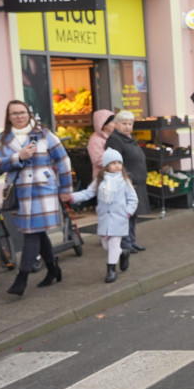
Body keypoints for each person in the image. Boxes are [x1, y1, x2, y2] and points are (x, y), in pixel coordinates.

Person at [0, 100, 73, 296]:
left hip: (42, 191)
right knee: (37, 232)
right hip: (19, 192)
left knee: (31, 233)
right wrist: (17, 157)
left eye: (22, 112)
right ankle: (53, 270)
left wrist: (65, 189)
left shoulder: (43, 134)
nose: (19, 116)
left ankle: (22, 278)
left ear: (28, 114)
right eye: (14, 114)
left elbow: (63, 160)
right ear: (8, 117)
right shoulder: (2, 139)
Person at [68, 149, 138, 283]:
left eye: (119, 163)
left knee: (113, 244)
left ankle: (111, 270)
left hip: (120, 218)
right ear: (106, 165)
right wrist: (71, 197)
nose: (117, 166)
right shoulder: (100, 181)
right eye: (113, 163)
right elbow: (87, 193)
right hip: (104, 219)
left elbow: (133, 199)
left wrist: (127, 212)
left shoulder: (124, 181)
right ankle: (123, 252)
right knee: (106, 246)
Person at [105, 111, 150, 254]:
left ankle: (132, 240)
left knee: (133, 213)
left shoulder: (129, 138)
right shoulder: (114, 140)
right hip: (126, 183)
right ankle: (125, 243)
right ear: (116, 124)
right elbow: (115, 162)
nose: (127, 126)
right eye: (124, 123)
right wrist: (127, 178)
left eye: (130, 124)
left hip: (136, 183)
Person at [86, 110, 115, 186]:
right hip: (103, 180)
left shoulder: (113, 137)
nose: (115, 124)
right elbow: (98, 160)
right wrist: (117, 162)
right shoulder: (95, 140)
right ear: (104, 125)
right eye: (112, 122)